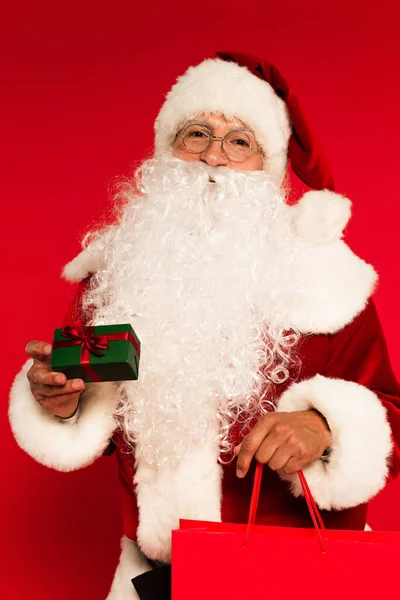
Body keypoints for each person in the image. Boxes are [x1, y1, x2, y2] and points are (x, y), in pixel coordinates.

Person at [9, 52, 400, 599]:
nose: (213, 156)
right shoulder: (117, 271)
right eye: (195, 134)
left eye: (240, 142)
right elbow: (87, 397)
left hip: (298, 573)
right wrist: (60, 399)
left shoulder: (328, 276)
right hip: (158, 575)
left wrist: (324, 426)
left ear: (269, 163)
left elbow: (391, 413)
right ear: (166, 150)